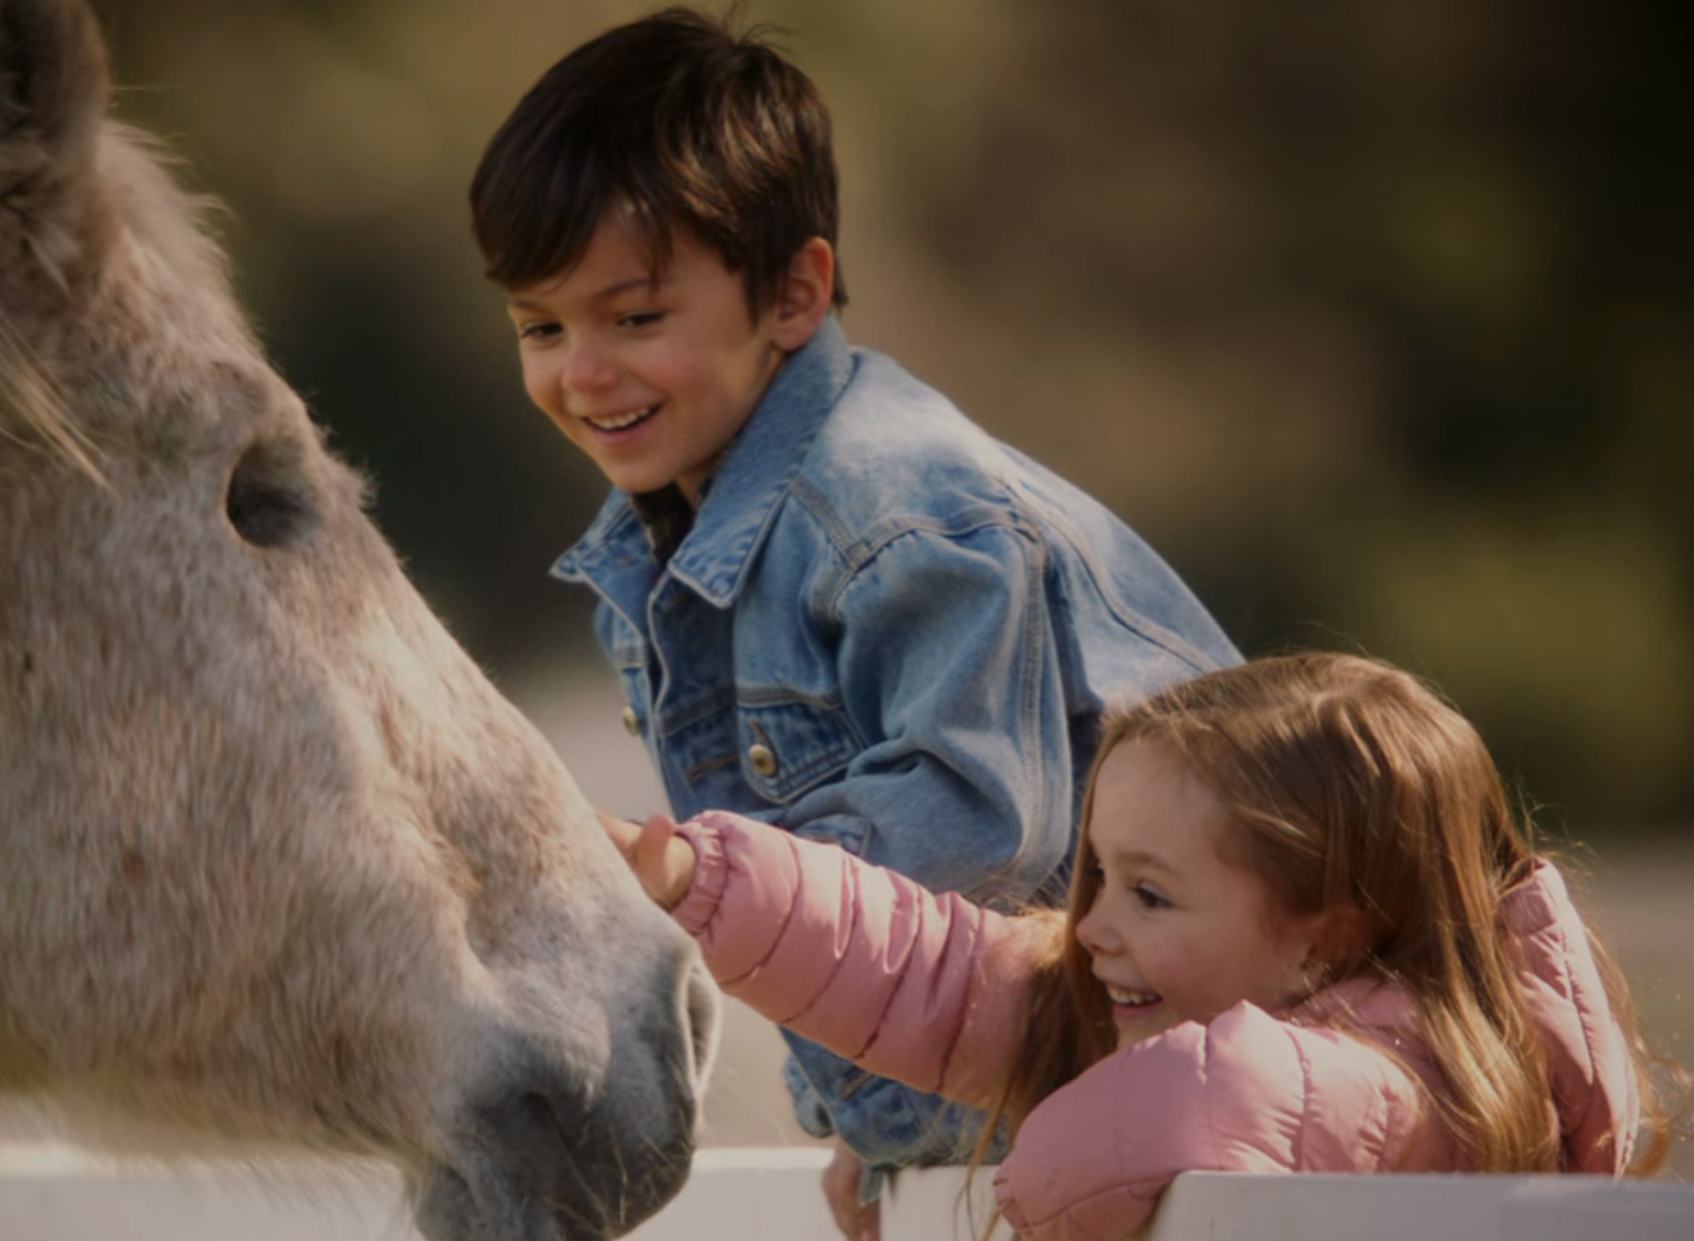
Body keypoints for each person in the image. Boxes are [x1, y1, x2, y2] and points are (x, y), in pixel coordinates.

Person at [468, 9, 1239, 1233]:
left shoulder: (898, 515)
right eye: (541, 327)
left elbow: (980, 825)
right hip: (1024, 1106)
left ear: (792, 291)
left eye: (633, 318)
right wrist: (875, 1127)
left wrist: (685, 877)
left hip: (1192, 1101)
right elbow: (831, 880)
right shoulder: (660, 548)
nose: (582, 372)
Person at [607, 652, 1677, 1240]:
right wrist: (695, 879)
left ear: (1327, 935)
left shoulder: (1412, 1089)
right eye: (1097, 873)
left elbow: (1199, 1101)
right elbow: (935, 969)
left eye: (1150, 894)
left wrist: (1021, 1195)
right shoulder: (1164, 1006)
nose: (1090, 923)